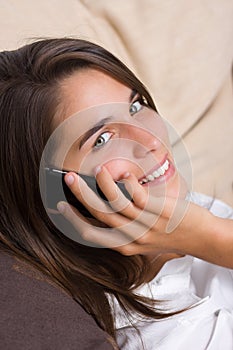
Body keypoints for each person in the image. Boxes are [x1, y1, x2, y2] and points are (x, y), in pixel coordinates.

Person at [0, 38, 232, 350]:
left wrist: (202, 235)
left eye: (135, 106)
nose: (150, 140)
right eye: (103, 139)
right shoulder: (168, 336)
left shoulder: (195, 215)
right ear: (51, 190)